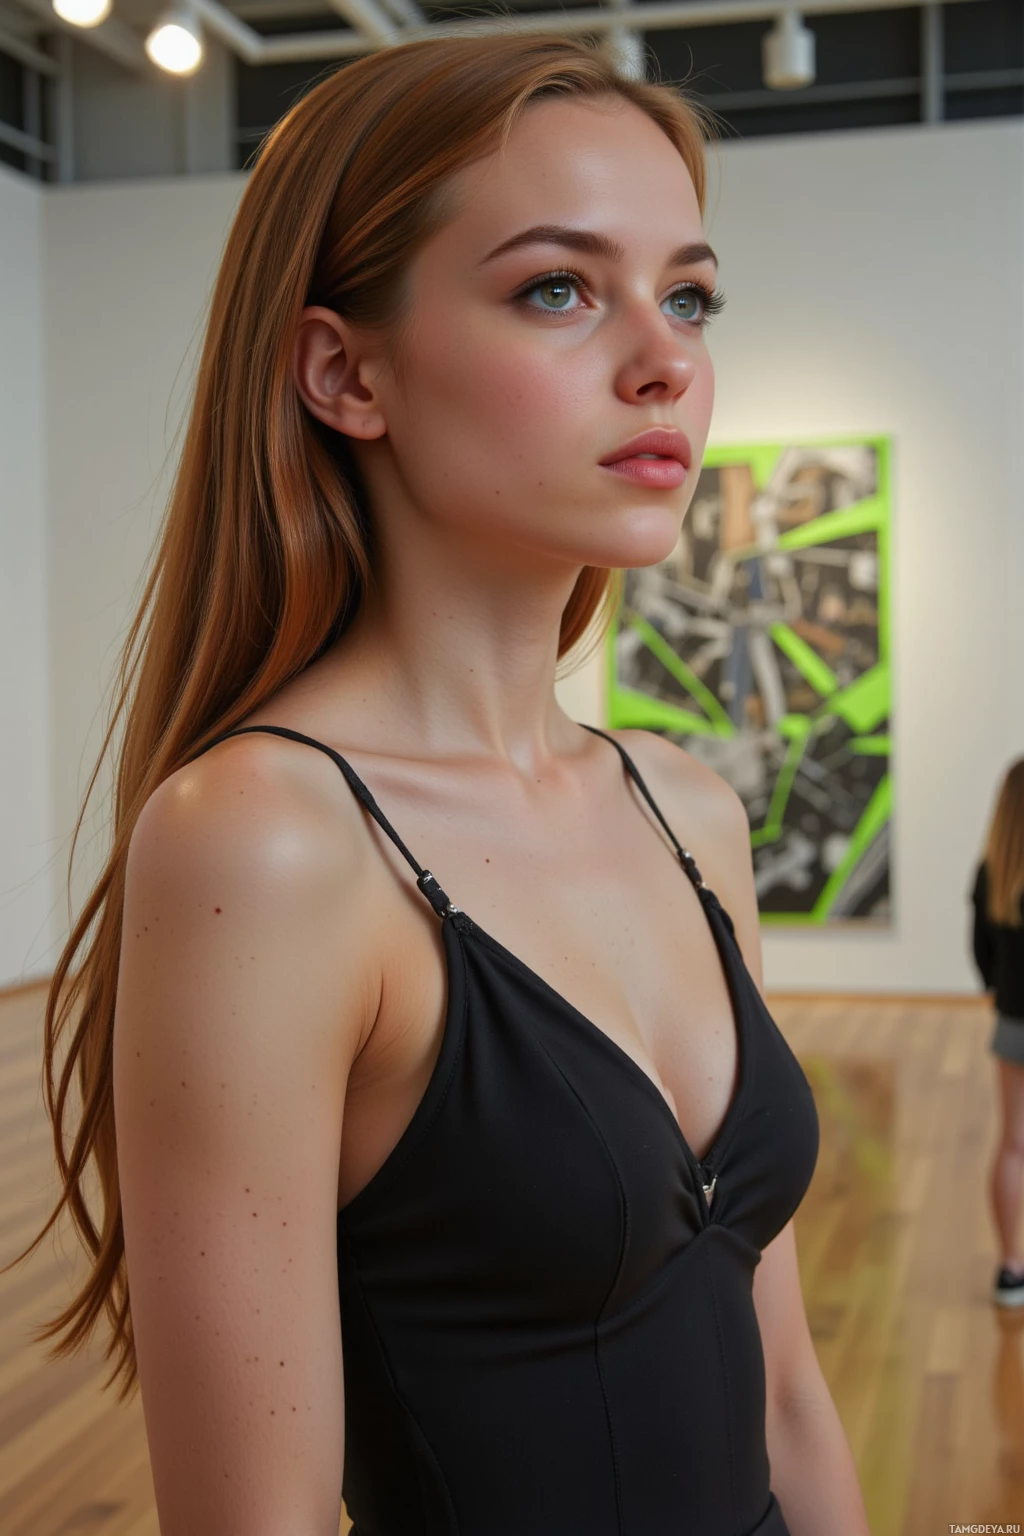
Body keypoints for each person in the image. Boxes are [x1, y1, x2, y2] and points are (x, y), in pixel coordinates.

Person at [16, 34, 871, 1536]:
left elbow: (789, 1387)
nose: (665, 355)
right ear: (347, 371)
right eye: (559, 288)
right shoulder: (268, 842)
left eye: (688, 295)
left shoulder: (689, 810)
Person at [972, 757, 1024, 1308]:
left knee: (1014, 1145)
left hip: (1015, 1022)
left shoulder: (993, 871)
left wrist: (999, 989)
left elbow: (981, 951)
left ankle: (1011, 1268)